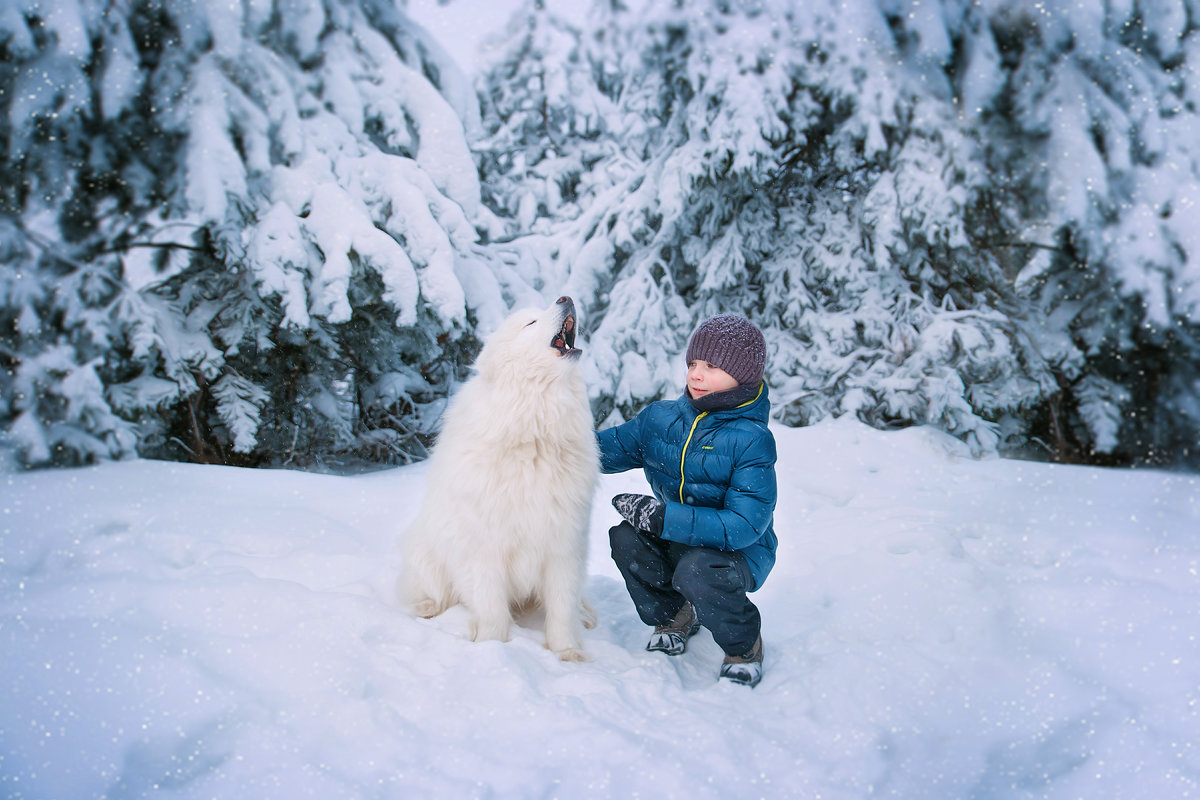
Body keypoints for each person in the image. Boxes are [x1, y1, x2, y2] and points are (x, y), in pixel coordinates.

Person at [596, 313, 778, 687]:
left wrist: (664, 519)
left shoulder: (751, 439)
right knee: (625, 538)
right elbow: (599, 450)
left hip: (735, 553)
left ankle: (744, 645)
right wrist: (545, 435)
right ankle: (676, 615)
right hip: (679, 538)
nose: (696, 374)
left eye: (711, 366)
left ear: (741, 375)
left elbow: (744, 526)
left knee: (698, 569)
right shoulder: (660, 420)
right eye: (693, 363)